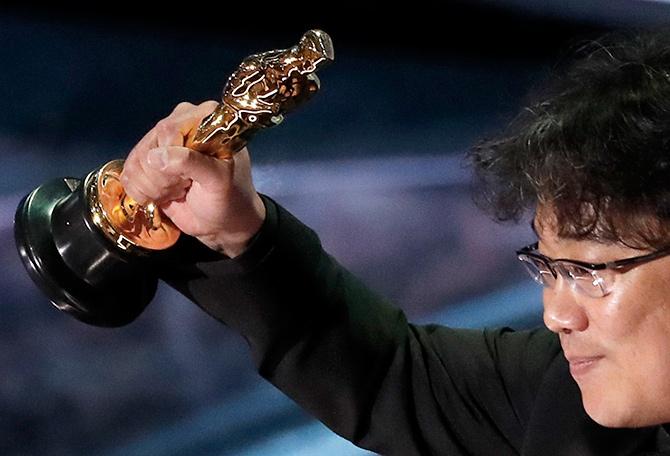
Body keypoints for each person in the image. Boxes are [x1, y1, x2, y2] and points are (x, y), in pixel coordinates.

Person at [120, 28, 670, 455]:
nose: (556, 314)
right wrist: (236, 231)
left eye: (588, 272)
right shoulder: (566, 405)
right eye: (549, 269)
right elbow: (389, 375)